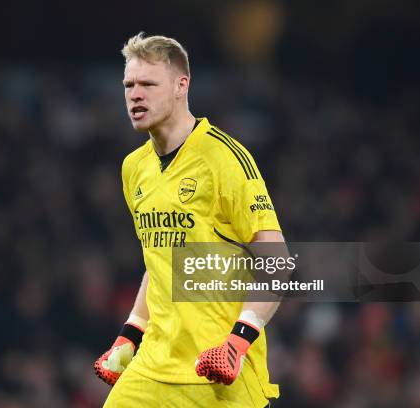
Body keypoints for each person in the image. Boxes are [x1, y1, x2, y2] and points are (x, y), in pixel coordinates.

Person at [93, 33, 287, 407]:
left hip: (216, 373)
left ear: (182, 86)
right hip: (152, 369)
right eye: (129, 85)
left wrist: (237, 342)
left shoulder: (224, 159)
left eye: (148, 84)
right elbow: (160, 261)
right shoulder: (134, 168)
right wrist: (130, 334)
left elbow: (276, 264)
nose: (135, 94)